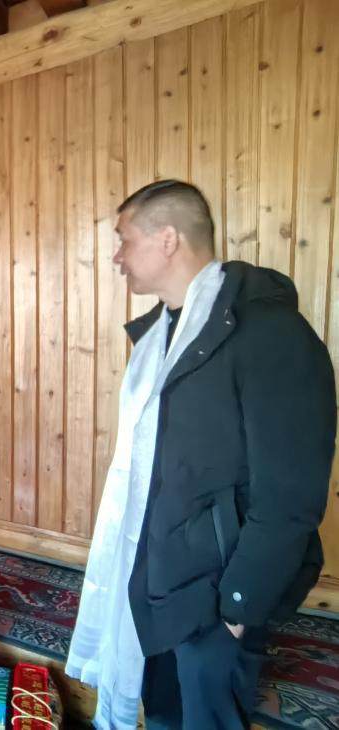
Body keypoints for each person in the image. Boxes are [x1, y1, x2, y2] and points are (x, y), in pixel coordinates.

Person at [65, 180, 336, 730]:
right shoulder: (163, 336)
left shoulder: (272, 335)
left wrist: (239, 602)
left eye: (124, 239)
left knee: (208, 719)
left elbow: (290, 495)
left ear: (168, 239)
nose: (117, 257)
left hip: (218, 592)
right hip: (160, 574)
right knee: (165, 712)